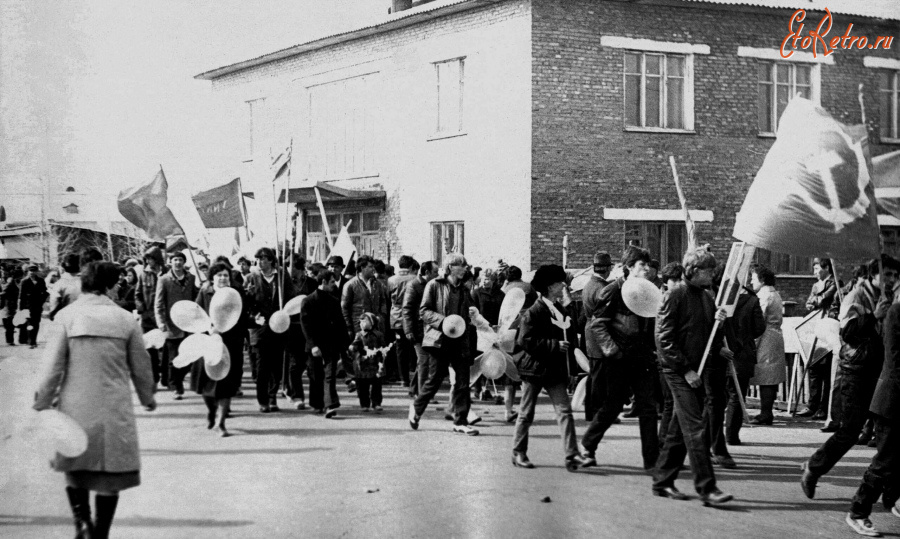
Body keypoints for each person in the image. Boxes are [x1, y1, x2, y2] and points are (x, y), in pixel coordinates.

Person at [33, 261, 156, 539]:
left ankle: (82, 521)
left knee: (75, 462)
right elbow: (141, 364)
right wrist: (147, 396)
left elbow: (52, 366)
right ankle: (100, 532)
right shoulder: (126, 319)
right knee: (109, 475)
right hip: (114, 407)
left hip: (75, 405)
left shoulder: (66, 316)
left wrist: (43, 400)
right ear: (111, 287)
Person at [802, 256, 899, 500]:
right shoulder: (856, 296)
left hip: (877, 369)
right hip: (856, 370)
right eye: (886, 275)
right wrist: (873, 316)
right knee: (849, 431)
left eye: (894, 277)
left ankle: (890, 493)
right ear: (871, 274)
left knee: (888, 435)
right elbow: (847, 331)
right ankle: (814, 467)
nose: (890, 280)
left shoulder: (885, 298)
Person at [652, 247, 733, 506]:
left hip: (696, 369)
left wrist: (719, 322)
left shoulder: (706, 297)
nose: (713, 274)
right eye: (709, 270)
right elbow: (663, 340)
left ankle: (662, 480)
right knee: (696, 428)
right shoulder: (674, 296)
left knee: (679, 430)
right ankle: (707, 489)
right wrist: (685, 370)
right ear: (694, 271)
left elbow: (710, 338)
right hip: (678, 372)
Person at [580, 246, 659, 471]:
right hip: (619, 359)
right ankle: (588, 445)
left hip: (642, 359)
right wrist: (612, 350)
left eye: (647, 265)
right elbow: (598, 324)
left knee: (648, 408)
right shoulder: (614, 291)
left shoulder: (648, 291)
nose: (647, 269)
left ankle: (652, 461)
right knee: (612, 406)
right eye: (641, 265)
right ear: (628, 268)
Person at [512, 264, 590, 470]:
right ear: (548, 286)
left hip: (554, 370)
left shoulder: (560, 309)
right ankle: (518, 452)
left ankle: (572, 455)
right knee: (526, 413)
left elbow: (571, 342)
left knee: (564, 411)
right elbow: (525, 340)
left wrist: (571, 370)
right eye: (558, 282)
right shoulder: (534, 312)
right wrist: (554, 345)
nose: (563, 284)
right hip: (534, 369)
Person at [843, 294, 900, 537]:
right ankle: (858, 511)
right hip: (893, 399)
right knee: (885, 460)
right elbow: (896, 360)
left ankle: (895, 500)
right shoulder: (896, 313)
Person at [408, 253, 480, 436]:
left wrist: (472, 314)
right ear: (450, 267)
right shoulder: (435, 285)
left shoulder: (464, 290)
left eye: (465, 265)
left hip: (460, 341)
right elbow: (424, 311)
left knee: (463, 382)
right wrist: (443, 322)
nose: (465, 268)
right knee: (435, 379)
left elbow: (468, 317)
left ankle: (461, 421)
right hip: (439, 340)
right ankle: (417, 408)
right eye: (461, 265)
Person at [192, 262, 247, 437]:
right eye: (219, 275)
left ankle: (221, 422)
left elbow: (242, 316)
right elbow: (196, 314)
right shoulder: (204, 292)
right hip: (209, 342)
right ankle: (211, 411)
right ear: (212, 278)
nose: (223, 278)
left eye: (225, 275)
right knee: (207, 385)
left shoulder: (235, 294)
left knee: (226, 385)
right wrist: (209, 328)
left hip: (230, 343)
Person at [244, 247, 296, 413]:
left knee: (276, 364)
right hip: (260, 328)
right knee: (261, 365)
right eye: (258, 258)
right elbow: (245, 304)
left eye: (264, 258)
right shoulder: (251, 278)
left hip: (279, 326)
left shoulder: (281, 276)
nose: (260, 261)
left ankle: (272, 396)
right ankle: (263, 399)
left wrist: (284, 313)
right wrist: (254, 315)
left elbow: (291, 297)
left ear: (272, 260)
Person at [300, 269, 349, 417]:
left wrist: (345, 346)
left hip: (331, 344)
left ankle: (330, 405)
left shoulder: (333, 301)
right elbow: (305, 325)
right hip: (314, 345)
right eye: (332, 282)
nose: (334, 285)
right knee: (315, 375)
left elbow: (341, 324)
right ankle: (317, 403)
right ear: (323, 282)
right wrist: (313, 345)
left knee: (329, 375)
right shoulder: (308, 301)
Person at [721, 282, 765, 447]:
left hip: (722, 351)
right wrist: (745, 336)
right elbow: (759, 327)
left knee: (719, 396)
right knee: (736, 395)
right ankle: (732, 436)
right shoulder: (751, 300)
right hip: (743, 352)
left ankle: (714, 435)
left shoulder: (719, 299)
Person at [155, 250, 200, 399]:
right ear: (170, 262)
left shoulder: (192, 278)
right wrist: (161, 322)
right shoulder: (164, 279)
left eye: (180, 259)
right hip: (171, 324)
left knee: (190, 357)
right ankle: (177, 386)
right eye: (175, 260)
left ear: (184, 262)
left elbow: (196, 299)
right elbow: (159, 303)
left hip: (189, 324)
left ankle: (177, 379)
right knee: (174, 357)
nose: (178, 262)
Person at [799, 257, 839, 419]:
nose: (814, 272)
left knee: (827, 370)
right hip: (817, 327)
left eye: (817, 269)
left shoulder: (835, 283)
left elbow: (824, 301)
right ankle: (812, 404)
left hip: (829, 329)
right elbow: (809, 304)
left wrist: (816, 301)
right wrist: (815, 301)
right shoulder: (816, 285)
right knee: (814, 367)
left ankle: (823, 408)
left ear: (827, 268)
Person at [748, 265, 785, 425]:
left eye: (753, 278)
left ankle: (766, 413)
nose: (750, 281)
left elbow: (758, 318)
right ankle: (766, 411)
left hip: (767, 336)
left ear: (762, 280)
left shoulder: (764, 295)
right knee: (770, 374)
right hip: (773, 335)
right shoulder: (773, 293)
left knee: (767, 375)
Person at [583, 251, 613, 421]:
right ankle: (597, 412)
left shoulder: (589, 285)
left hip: (590, 330)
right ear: (607, 268)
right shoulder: (603, 288)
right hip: (599, 332)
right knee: (600, 375)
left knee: (594, 373)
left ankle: (590, 410)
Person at [403, 261, 439, 397]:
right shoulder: (414, 285)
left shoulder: (434, 285)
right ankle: (423, 394)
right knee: (424, 361)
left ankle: (414, 389)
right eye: (435, 272)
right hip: (418, 330)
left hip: (430, 329)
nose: (437, 274)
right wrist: (408, 330)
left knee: (424, 362)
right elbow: (407, 309)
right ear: (427, 273)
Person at [389, 255, 419, 390]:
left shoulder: (391, 280)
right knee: (416, 348)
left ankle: (403, 379)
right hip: (413, 316)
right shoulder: (415, 279)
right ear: (411, 266)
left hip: (396, 317)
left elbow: (386, 297)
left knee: (400, 349)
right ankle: (416, 378)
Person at [349, 312, 386, 412]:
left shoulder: (379, 335)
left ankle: (376, 403)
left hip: (375, 363)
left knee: (377, 385)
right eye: (360, 322)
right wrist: (352, 348)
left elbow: (383, 347)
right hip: (363, 364)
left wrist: (382, 353)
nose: (362, 324)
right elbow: (355, 345)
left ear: (372, 322)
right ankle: (364, 404)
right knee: (362, 386)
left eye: (364, 321)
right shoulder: (359, 335)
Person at [18, 264, 49, 348]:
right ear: (28, 271)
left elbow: (45, 292)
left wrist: (41, 301)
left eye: (33, 271)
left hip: (37, 306)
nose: (32, 272)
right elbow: (21, 296)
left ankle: (34, 340)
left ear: (36, 272)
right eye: (30, 271)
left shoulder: (41, 281)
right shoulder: (24, 281)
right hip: (27, 307)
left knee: (36, 323)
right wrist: (20, 308)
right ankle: (31, 341)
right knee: (30, 323)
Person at [49, 253, 81, 320]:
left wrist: (52, 315)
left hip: (67, 319)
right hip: (85, 321)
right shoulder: (89, 282)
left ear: (63, 266)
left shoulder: (60, 284)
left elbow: (54, 303)